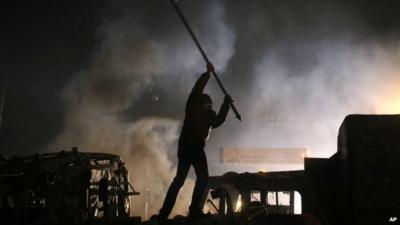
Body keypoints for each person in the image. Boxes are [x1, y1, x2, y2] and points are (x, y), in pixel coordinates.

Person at [158, 63, 232, 222]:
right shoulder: (193, 105)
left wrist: (226, 104)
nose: (209, 107)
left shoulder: (202, 111)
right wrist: (208, 74)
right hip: (193, 146)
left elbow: (218, 121)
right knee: (202, 178)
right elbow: (198, 89)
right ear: (202, 103)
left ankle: (164, 214)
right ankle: (193, 210)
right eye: (208, 105)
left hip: (186, 146)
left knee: (179, 180)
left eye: (210, 106)